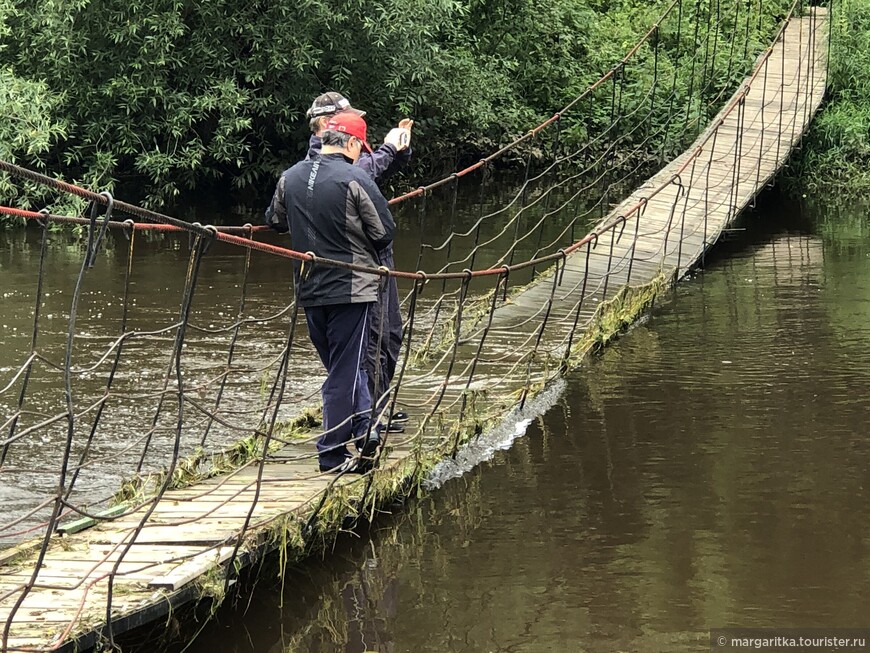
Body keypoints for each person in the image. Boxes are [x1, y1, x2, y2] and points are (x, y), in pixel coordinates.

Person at [264, 112, 395, 473]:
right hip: (353, 288)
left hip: (309, 289)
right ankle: (332, 453)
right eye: (360, 148)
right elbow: (384, 232)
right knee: (344, 372)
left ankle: (365, 426)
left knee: (342, 367)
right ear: (352, 144)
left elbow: (274, 221)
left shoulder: (289, 177)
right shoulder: (355, 178)